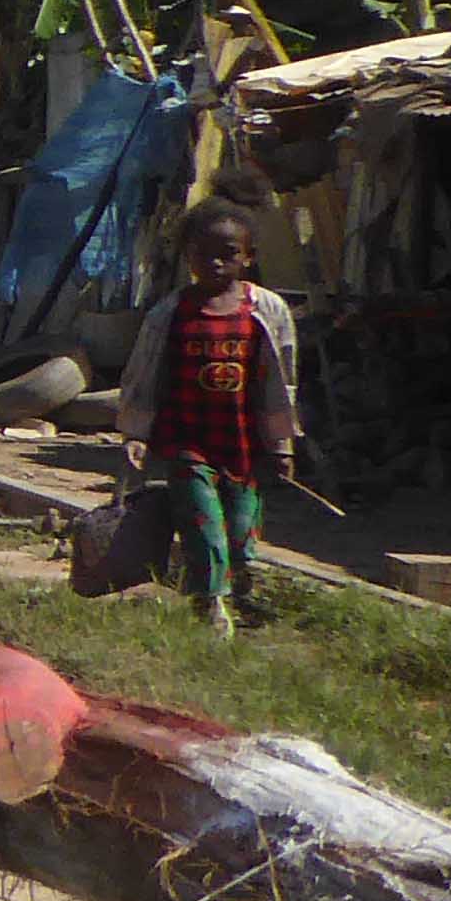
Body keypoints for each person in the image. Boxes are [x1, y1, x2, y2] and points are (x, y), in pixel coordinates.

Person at [120, 209, 299, 637]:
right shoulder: (172, 312)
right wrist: (136, 433)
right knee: (202, 522)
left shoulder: (266, 310)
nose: (216, 264)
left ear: (249, 258)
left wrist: (282, 444)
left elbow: (281, 380)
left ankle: (241, 590)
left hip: (242, 442)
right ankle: (210, 603)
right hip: (187, 439)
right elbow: (145, 374)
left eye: (229, 254)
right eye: (204, 254)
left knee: (240, 529)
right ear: (188, 257)